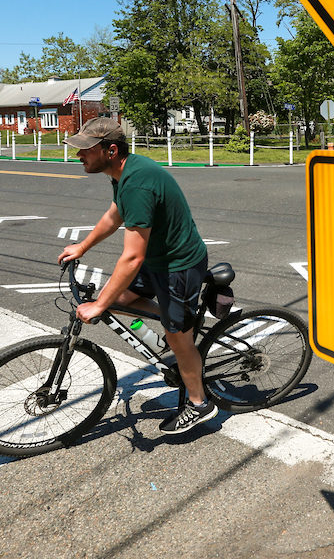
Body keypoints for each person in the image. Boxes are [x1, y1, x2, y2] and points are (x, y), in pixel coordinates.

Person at [57, 117, 216, 435]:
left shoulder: (138, 183)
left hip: (178, 266)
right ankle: (180, 324)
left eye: (86, 150)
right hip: (159, 262)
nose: (79, 156)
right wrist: (83, 247)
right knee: (120, 301)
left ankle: (199, 403)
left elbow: (132, 257)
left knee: (172, 334)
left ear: (110, 150)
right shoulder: (123, 173)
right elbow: (114, 214)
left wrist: (98, 304)